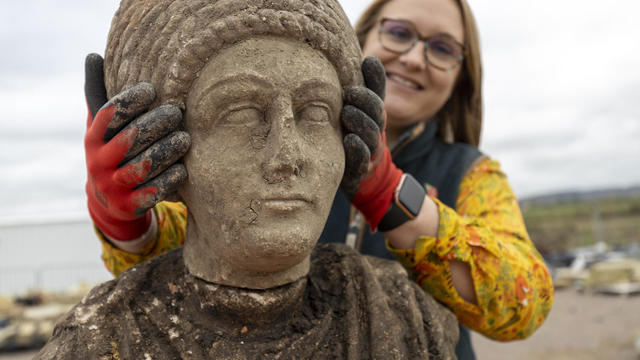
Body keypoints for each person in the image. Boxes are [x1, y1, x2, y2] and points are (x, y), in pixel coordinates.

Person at [83, 0, 554, 358]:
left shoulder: (470, 172)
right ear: (365, 37)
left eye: (443, 48)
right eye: (399, 33)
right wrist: (124, 221)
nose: (414, 57)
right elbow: (178, 254)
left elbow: (522, 305)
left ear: (461, 72)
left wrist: (391, 195)